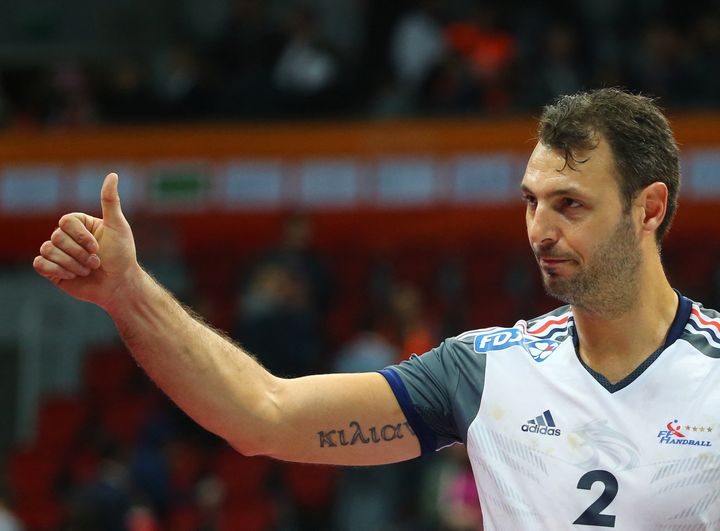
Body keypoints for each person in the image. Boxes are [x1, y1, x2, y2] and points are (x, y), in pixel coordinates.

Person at [33, 88, 720, 529]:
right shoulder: (482, 372)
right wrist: (128, 294)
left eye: (570, 204)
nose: (540, 228)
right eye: (531, 201)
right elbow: (260, 414)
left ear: (648, 208)